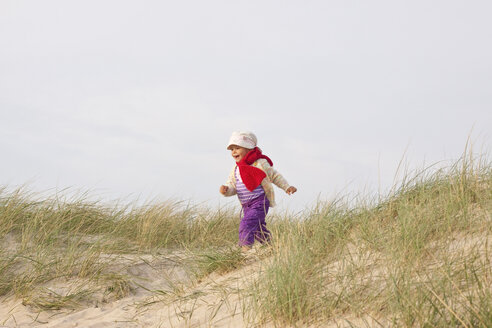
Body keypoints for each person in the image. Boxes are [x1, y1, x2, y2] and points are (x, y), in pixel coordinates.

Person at [219, 131, 297, 251]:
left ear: (248, 148)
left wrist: (287, 187)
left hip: (259, 202)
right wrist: (226, 190)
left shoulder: (259, 163)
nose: (233, 152)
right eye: (232, 149)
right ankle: (271, 246)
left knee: (247, 223)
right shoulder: (236, 169)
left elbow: (274, 176)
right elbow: (233, 186)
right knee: (258, 229)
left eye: (237, 148)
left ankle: (245, 250)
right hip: (246, 205)